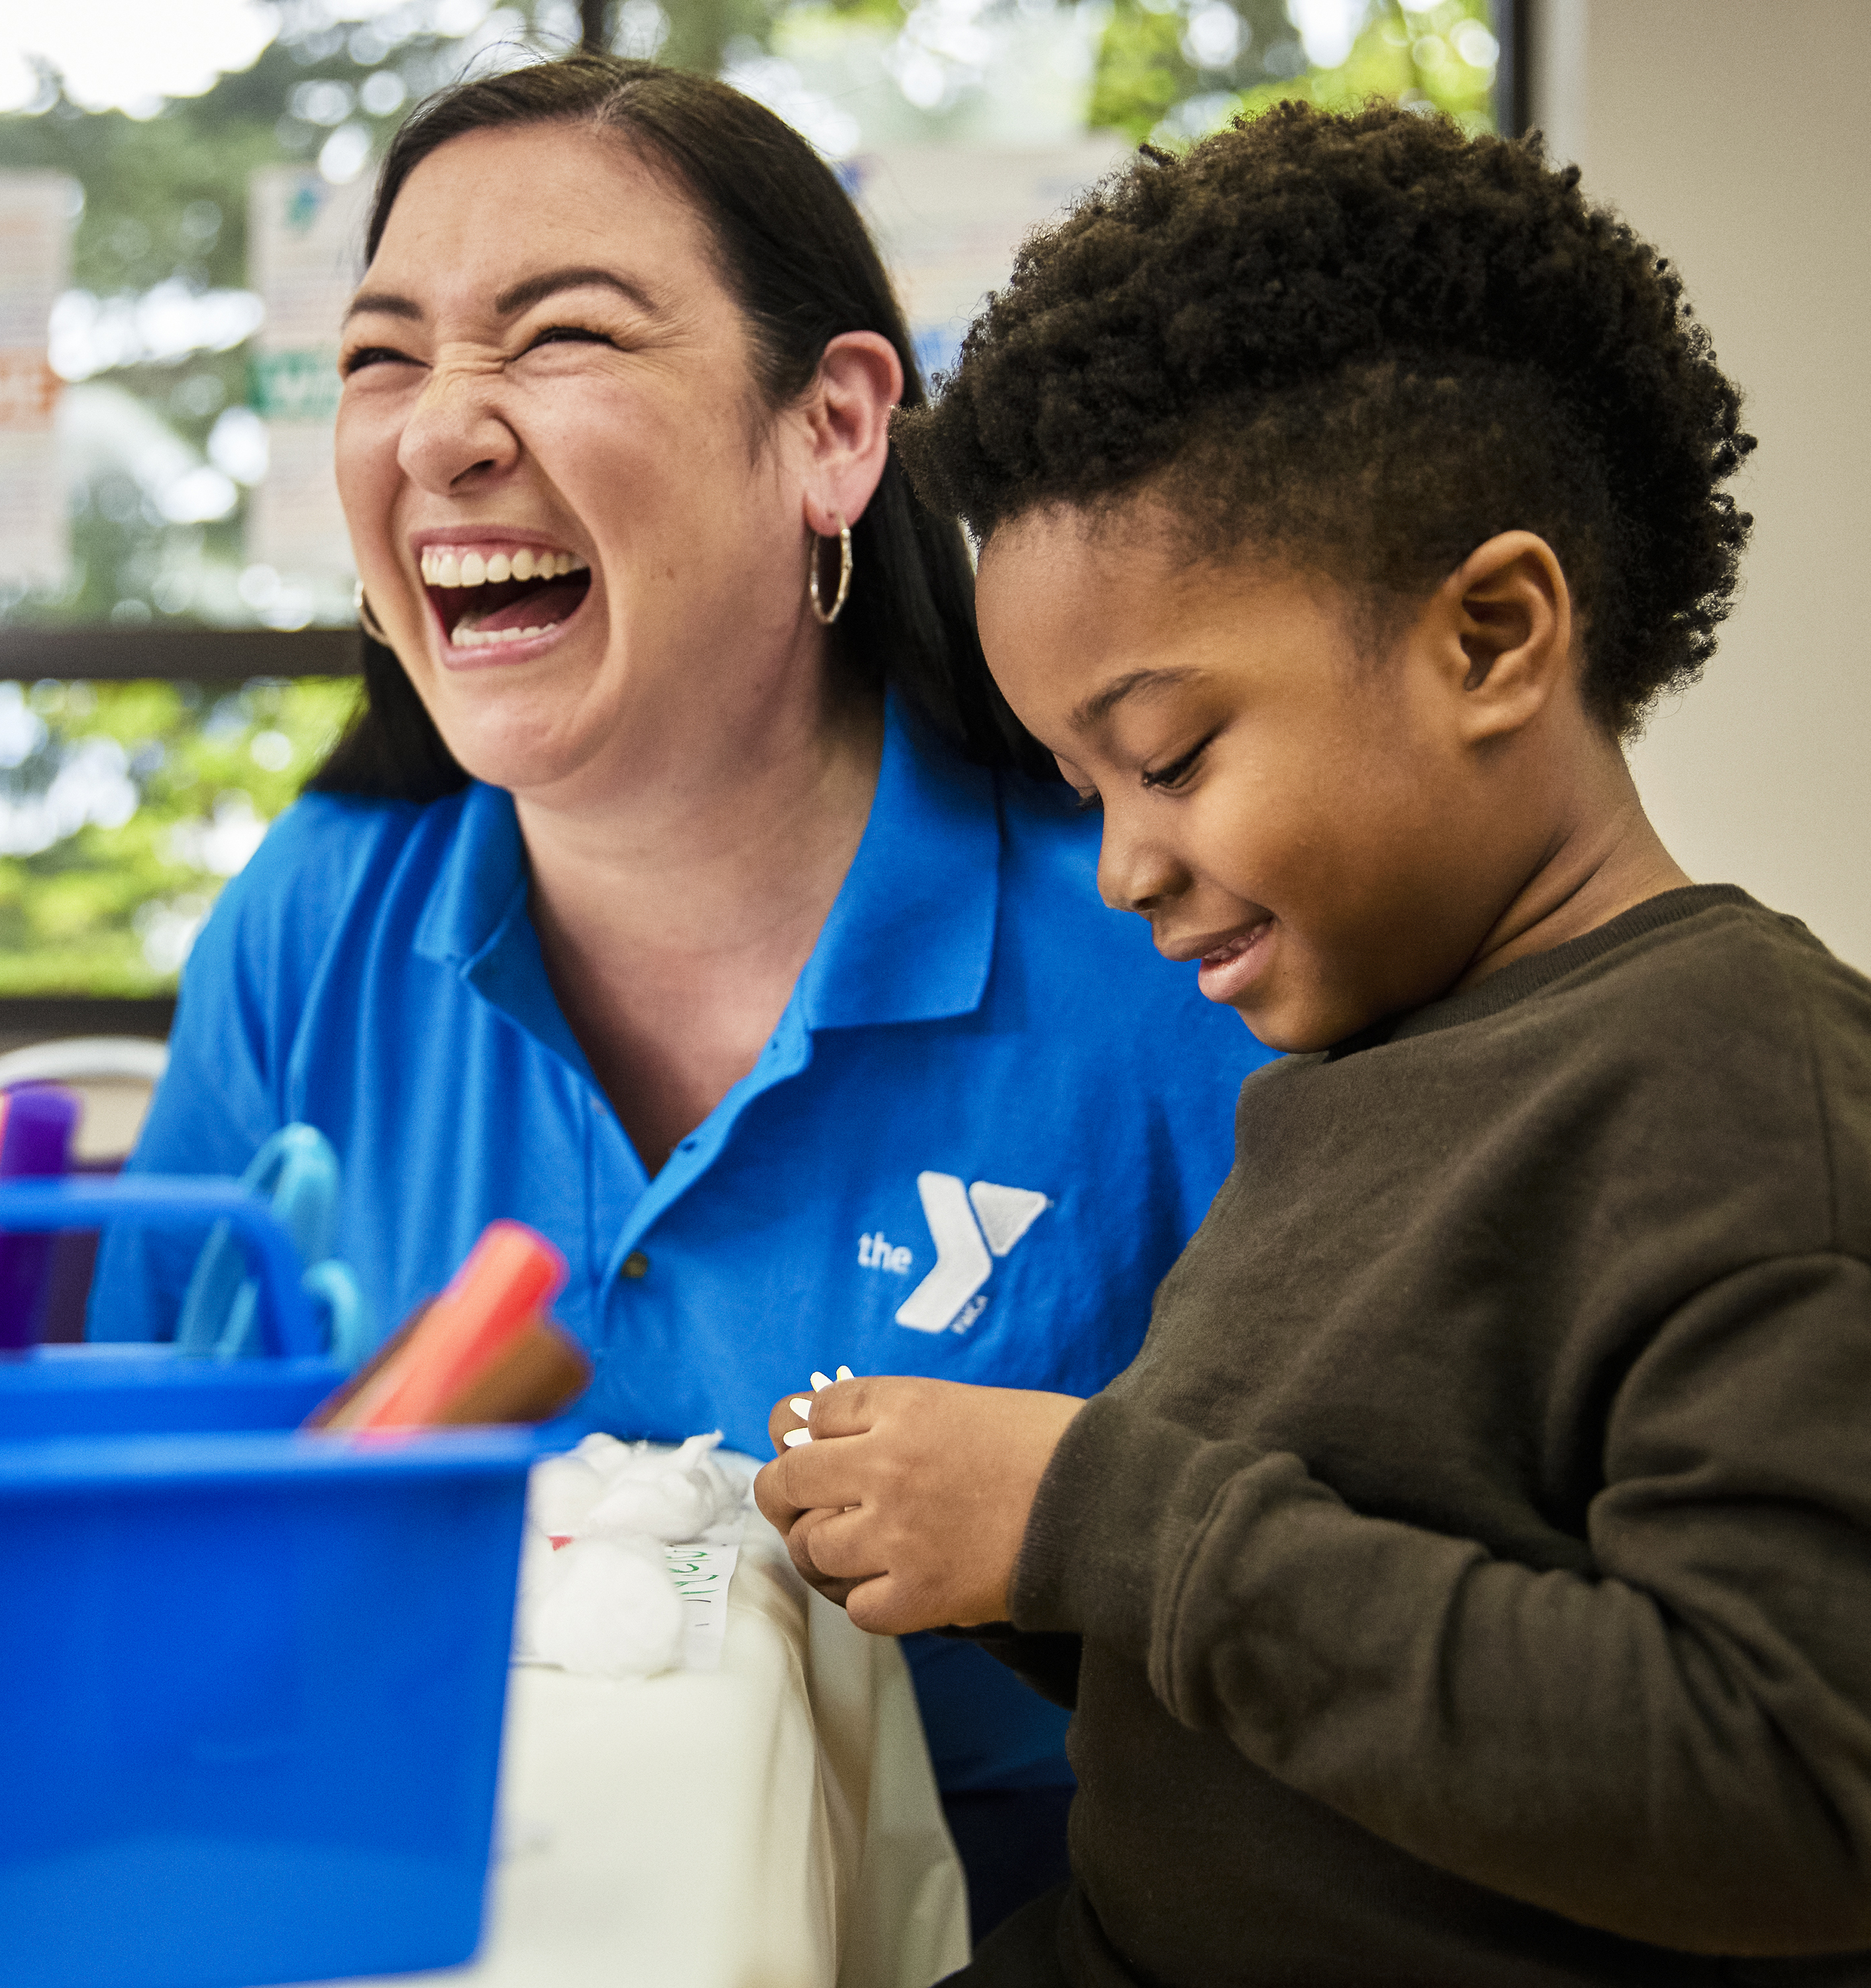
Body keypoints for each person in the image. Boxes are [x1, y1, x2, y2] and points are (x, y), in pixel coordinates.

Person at [96, 55, 1271, 1940]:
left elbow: (1348, 1631)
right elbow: (134, 1535)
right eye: (381, 358)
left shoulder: (1161, 948)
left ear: (832, 429)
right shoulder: (310, 923)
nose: (438, 435)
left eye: (557, 337)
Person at [755, 103, 1871, 1985]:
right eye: (1079, 784)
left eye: (1173, 754)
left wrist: (1096, 1514)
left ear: (1495, 637)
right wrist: (1011, 1559)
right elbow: (1336, 1637)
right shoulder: (1350, 1094)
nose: (1120, 865)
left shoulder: (1742, 1083)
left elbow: (1796, 1788)